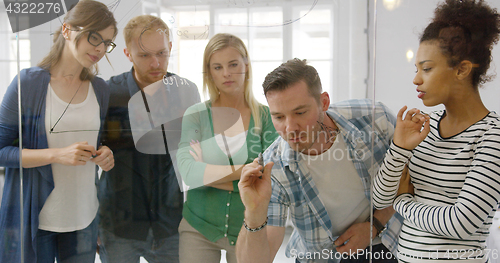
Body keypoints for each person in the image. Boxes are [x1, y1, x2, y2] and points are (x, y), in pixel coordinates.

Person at [236, 58, 404, 263]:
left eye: (300, 112)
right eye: (279, 117)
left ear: (323, 102)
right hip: (320, 256)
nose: (290, 128)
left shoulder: (374, 118)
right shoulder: (273, 167)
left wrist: (374, 225)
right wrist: (254, 212)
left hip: (386, 239)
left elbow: (414, 177)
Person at [373, 0, 500, 262]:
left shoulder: (492, 135)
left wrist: (404, 201)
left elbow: (462, 223)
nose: (416, 79)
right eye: (416, 68)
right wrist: (399, 149)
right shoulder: (423, 126)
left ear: (462, 69)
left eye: (427, 69)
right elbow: (379, 197)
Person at [0, 0, 117, 262]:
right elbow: (1, 150)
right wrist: (56, 155)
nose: (100, 48)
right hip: (38, 219)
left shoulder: (100, 89)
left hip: (85, 219)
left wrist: (106, 154)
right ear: (67, 30)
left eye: (107, 42)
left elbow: (102, 143)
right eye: (93, 36)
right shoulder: (27, 84)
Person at [97, 15, 200, 263]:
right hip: (119, 223)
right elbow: (93, 150)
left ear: (171, 49)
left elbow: (197, 149)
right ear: (127, 53)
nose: (156, 63)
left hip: (170, 221)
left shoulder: (186, 90)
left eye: (162, 53)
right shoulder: (108, 93)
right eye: (144, 55)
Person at [176, 33, 278, 263]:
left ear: (246, 65)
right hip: (198, 227)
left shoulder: (267, 116)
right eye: (217, 67)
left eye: (233, 64)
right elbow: (189, 173)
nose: (226, 73)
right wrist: (244, 174)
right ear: (209, 72)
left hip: (250, 228)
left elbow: (270, 175)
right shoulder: (196, 115)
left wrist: (208, 173)